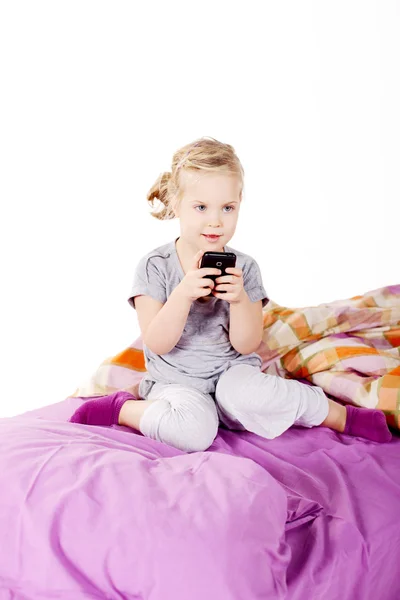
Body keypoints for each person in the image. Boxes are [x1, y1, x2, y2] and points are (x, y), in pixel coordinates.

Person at [69, 137, 392, 451]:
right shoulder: (155, 267)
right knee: (193, 434)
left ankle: (339, 416)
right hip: (178, 384)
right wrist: (182, 296)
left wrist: (239, 301)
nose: (215, 221)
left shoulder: (245, 268)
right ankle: (123, 409)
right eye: (200, 207)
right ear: (175, 204)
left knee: (247, 395)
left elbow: (247, 344)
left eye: (227, 208)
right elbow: (156, 342)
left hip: (233, 377)